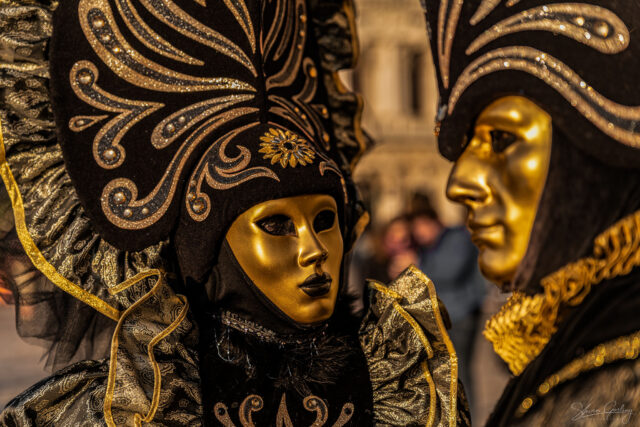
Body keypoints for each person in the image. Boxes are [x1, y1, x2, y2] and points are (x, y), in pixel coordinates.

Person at [0, 0, 469, 425]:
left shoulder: (404, 386)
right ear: (213, 249)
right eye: (277, 225)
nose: (314, 252)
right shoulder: (131, 404)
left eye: (326, 221)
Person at [419, 0, 640, 425]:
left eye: (501, 139)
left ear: (585, 159)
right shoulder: (575, 339)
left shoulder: (621, 361)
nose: (458, 184)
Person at [409, 194, 486, 410]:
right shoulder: (430, 247)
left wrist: (416, 268)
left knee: (460, 373)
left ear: (432, 222)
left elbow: (449, 272)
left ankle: (470, 418)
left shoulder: (457, 238)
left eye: (420, 226)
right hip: (445, 317)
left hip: (461, 316)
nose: (418, 233)